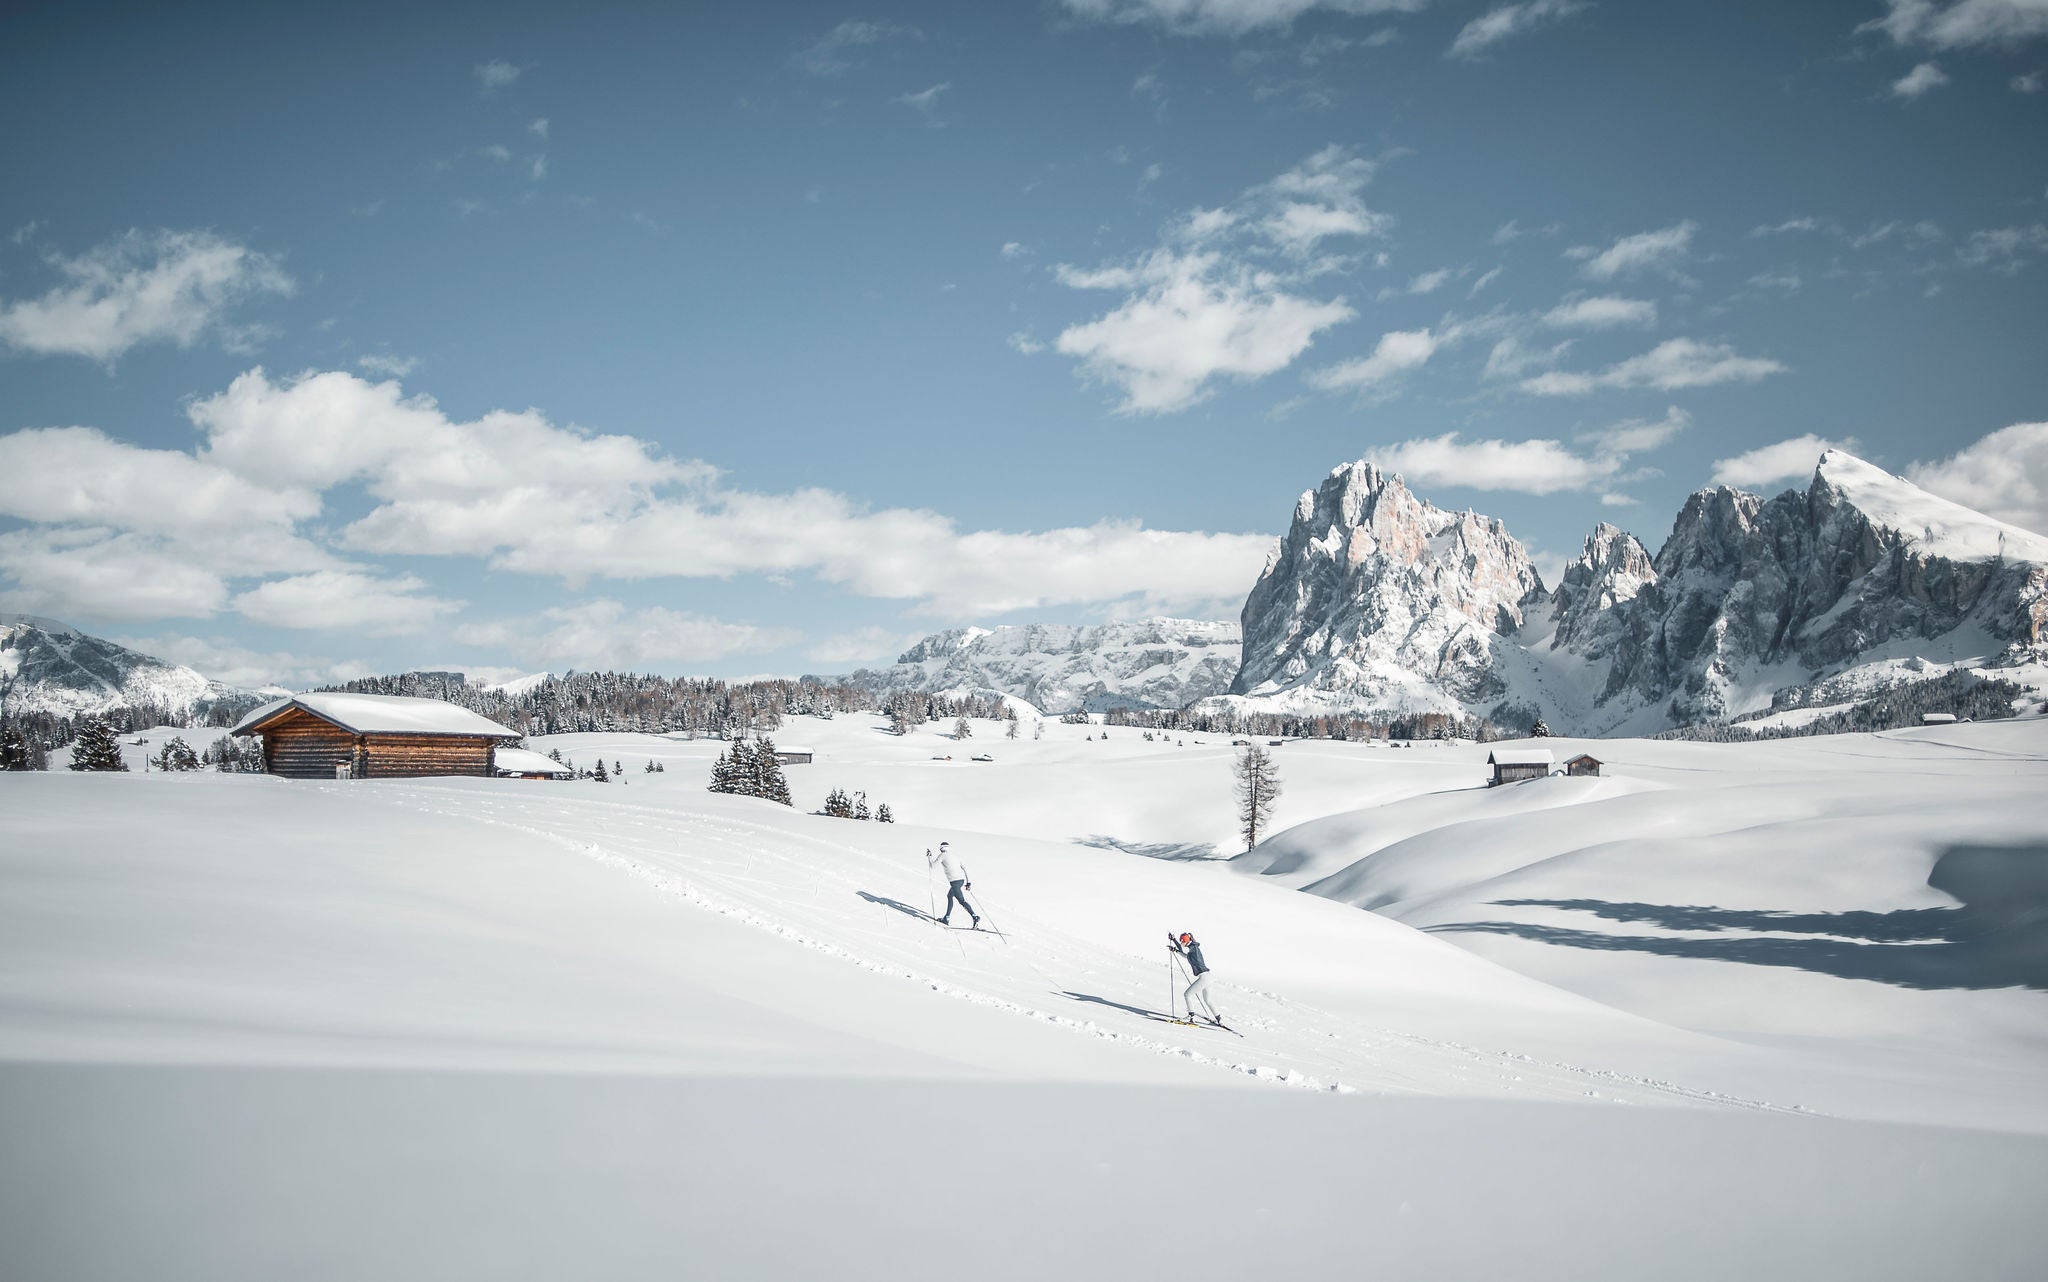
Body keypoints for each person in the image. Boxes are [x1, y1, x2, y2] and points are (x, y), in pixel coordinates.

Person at [1168, 931, 1221, 1025]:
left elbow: (1184, 951)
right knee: (1208, 1000)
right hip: (1208, 976)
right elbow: (1185, 955)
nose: (1181, 944)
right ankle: (1219, 1019)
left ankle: (1191, 1017)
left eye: (1182, 942)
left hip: (1204, 977)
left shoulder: (1193, 948)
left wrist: (1174, 940)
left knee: (1187, 995)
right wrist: (1175, 950)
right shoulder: (1192, 949)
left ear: (1186, 941)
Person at [928, 841, 979, 928]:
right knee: (950, 896)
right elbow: (964, 868)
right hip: (961, 881)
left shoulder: (942, 855)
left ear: (941, 848)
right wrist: (968, 882)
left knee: (962, 901)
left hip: (954, 882)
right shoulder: (955, 856)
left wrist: (929, 856)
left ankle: (975, 917)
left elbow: (932, 866)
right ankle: (946, 918)